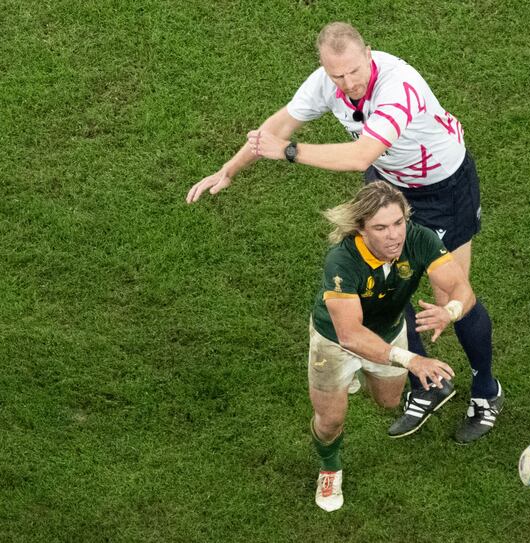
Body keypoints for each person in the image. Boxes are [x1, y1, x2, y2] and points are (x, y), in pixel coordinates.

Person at [186, 22, 502, 444]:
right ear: (324, 68)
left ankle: (486, 390)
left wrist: (291, 153)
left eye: (354, 71)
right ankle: (428, 381)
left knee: (451, 297)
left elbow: (360, 154)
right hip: (389, 186)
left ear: (369, 54)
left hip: (443, 188)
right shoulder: (325, 82)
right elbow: (277, 127)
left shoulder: (397, 85)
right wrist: (228, 170)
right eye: (337, 75)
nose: (348, 82)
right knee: (392, 280)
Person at [306, 181, 473, 511]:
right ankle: (330, 467)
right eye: (381, 228)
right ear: (361, 229)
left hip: (388, 332)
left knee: (388, 401)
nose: (394, 235)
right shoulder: (342, 261)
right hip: (335, 341)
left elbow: (460, 287)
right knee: (330, 422)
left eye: (398, 223)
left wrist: (449, 311)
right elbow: (350, 335)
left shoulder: (419, 238)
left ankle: (358, 378)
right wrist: (412, 361)